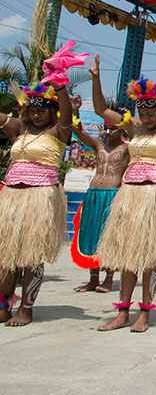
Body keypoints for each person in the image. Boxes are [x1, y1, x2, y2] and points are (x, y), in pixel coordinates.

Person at [92, 57, 156, 332]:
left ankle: (145, 311)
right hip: (130, 194)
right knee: (127, 253)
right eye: (142, 111)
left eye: (151, 112)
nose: (146, 116)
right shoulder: (133, 127)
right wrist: (96, 78)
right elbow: (101, 108)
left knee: (150, 255)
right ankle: (122, 311)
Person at [0, 79, 74, 327]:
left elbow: (67, 114)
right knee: (5, 254)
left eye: (42, 109)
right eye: (32, 110)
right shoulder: (20, 129)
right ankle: (3, 306)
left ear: (52, 110)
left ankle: (26, 309)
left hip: (41, 196)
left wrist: (61, 87)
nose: (36, 114)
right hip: (11, 195)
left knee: (31, 255)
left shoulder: (59, 131)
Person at [69, 95, 129, 293]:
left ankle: (109, 278)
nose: (110, 132)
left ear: (122, 130)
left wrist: (127, 119)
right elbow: (78, 131)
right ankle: (93, 278)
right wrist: (75, 111)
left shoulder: (128, 148)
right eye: (107, 128)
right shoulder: (98, 146)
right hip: (93, 194)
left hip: (113, 195)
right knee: (92, 233)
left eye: (114, 128)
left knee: (110, 236)